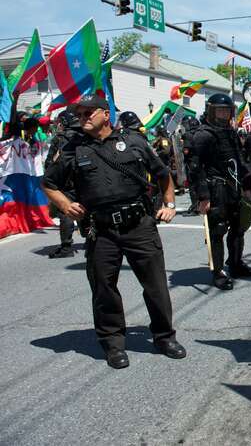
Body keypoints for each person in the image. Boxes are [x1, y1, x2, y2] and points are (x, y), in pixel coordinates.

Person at [41, 94, 185, 369]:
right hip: (102, 229)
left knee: (155, 285)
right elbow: (48, 182)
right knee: (104, 289)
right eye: (79, 114)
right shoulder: (74, 148)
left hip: (139, 225)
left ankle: (164, 337)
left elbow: (163, 173)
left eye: (87, 113)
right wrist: (64, 203)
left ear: (105, 114)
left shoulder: (133, 141)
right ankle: (113, 344)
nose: (82, 118)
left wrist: (169, 204)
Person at [191, 93, 251, 291]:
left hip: (234, 187)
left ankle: (235, 264)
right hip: (215, 189)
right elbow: (195, 168)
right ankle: (217, 271)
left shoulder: (231, 133)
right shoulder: (203, 134)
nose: (223, 114)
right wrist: (203, 197)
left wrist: (247, 187)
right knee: (217, 230)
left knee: (238, 228)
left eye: (226, 110)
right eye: (219, 110)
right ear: (211, 111)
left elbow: (239, 161)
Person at [44, 109, 82, 258]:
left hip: (67, 181)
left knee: (66, 212)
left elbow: (51, 162)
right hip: (87, 179)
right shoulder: (87, 134)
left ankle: (66, 247)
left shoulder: (61, 138)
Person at [180, 116, 201, 215]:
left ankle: (195, 208)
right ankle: (199, 205)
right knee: (200, 185)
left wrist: (181, 147)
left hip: (192, 163)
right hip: (201, 162)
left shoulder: (188, 135)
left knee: (192, 186)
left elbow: (186, 151)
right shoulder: (201, 133)